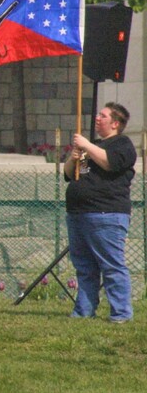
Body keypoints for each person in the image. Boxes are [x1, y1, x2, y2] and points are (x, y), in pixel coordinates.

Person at [66, 102, 136, 323]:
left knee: (112, 265)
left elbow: (109, 163)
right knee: (84, 266)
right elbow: (73, 173)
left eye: (103, 116)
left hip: (106, 214)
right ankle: (84, 310)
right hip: (79, 214)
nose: (97, 118)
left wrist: (86, 144)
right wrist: (75, 157)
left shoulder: (122, 145)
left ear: (115, 123)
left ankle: (121, 313)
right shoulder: (92, 147)